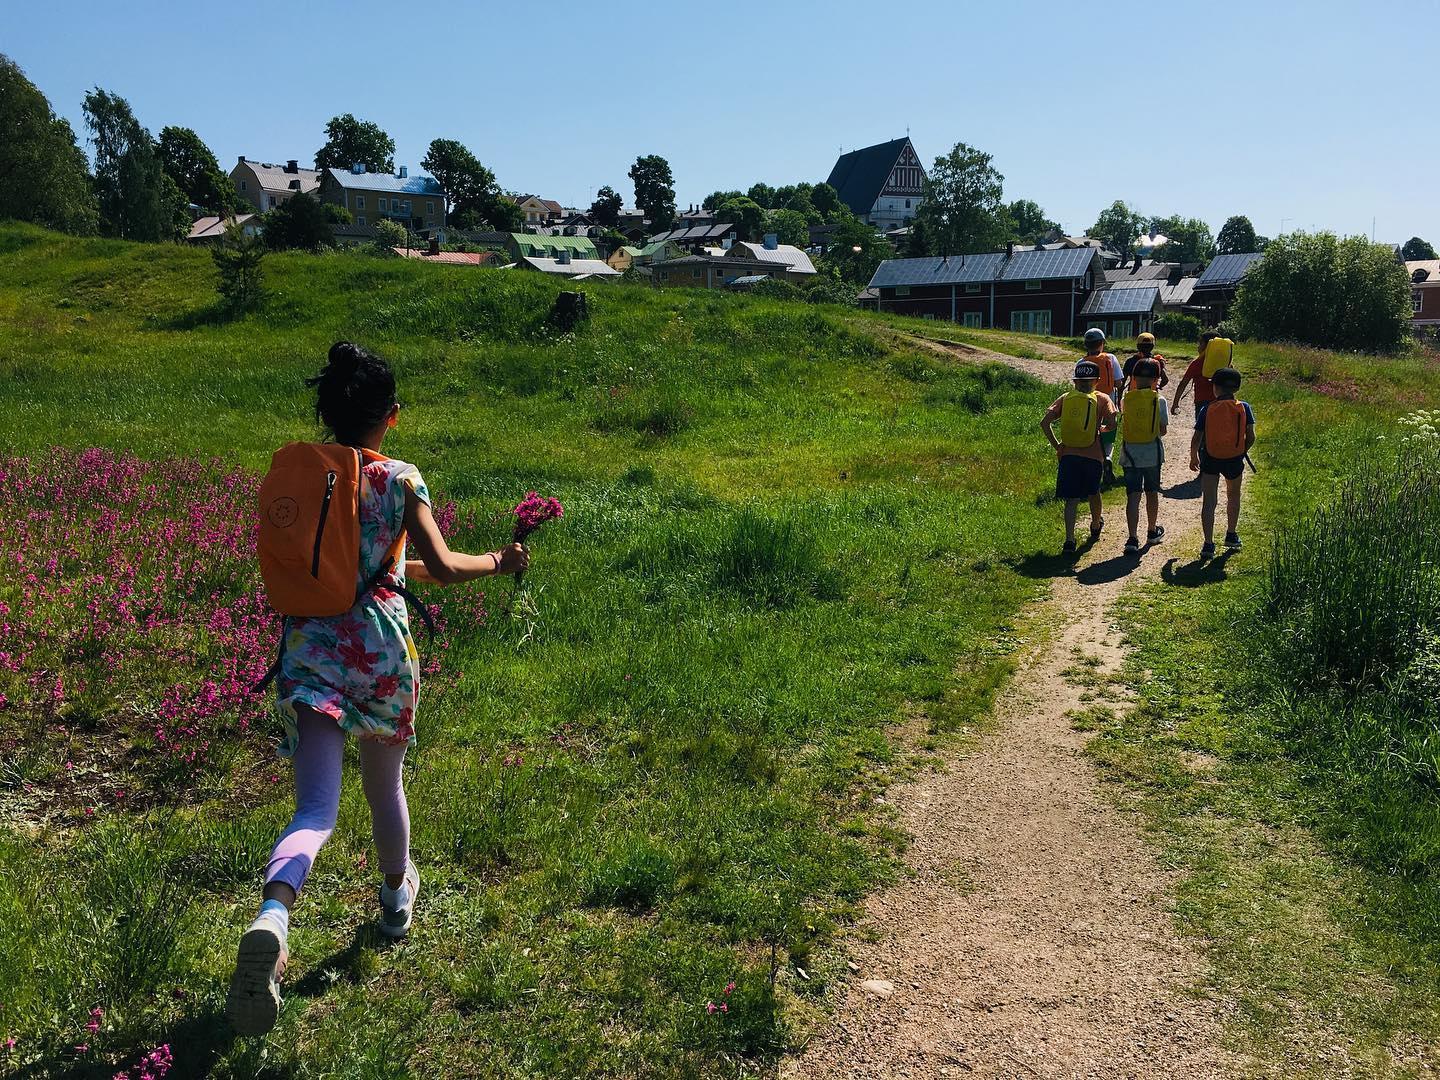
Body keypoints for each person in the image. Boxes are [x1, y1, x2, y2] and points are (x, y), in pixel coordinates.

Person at [226, 343, 529, 1037]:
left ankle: (273, 916)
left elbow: (382, 567)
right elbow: (446, 566)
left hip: (310, 650)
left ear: (328, 412)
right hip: (382, 656)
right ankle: (395, 901)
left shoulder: (309, 475)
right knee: (383, 786)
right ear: (390, 417)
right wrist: (500, 561)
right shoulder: (399, 477)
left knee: (314, 810)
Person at [1041, 358, 1118, 554]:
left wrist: (1057, 445)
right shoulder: (1102, 399)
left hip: (1068, 455)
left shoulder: (1066, 397)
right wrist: (1101, 428)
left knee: (1071, 499)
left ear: (1075, 381)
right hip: (1093, 456)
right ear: (1097, 380)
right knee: (1094, 493)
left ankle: (1069, 540)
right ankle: (1094, 524)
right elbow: (1112, 422)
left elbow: (1045, 422)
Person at [1190, 366, 1255, 559]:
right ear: (1236, 388)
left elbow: (1197, 437)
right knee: (1233, 495)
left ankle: (1208, 544)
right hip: (1234, 459)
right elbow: (1250, 436)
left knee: (1209, 501)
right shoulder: (1244, 407)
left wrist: (1194, 455)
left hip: (1211, 458)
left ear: (1215, 388)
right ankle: (1231, 534)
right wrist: (1242, 450)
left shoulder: (1207, 409)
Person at [1118, 358, 1169, 554]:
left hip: (1130, 453)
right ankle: (1151, 530)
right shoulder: (1159, 400)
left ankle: (1132, 538)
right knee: (1151, 492)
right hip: (1152, 454)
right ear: (1156, 379)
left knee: (1133, 495)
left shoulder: (1126, 400)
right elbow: (1162, 430)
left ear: (1133, 379)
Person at [1080, 328, 1124, 482]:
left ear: (1086, 344)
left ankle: (1094, 465)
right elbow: (1119, 383)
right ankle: (1108, 457)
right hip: (1108, 404)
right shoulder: (1111, 358)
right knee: (1108, 437)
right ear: (1102, 343)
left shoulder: (1081, 362)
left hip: (1088, 405)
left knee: (1091, 436)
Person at [1170, 330, 1221, 417]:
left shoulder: (1197, 363)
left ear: (1208, 346)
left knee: (1201, 429)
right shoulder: (1225, 363)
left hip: (1202, 402)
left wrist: (1175, 403)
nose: (1198, 347)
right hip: (1221, 402)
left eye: (1200, 343)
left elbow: (1183, 383)